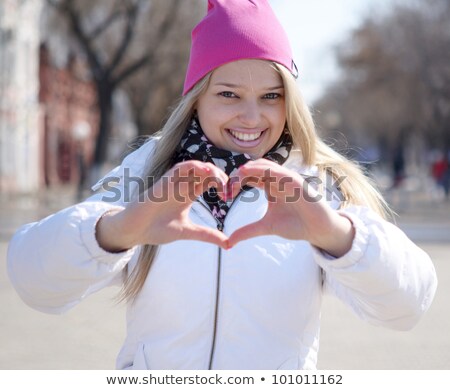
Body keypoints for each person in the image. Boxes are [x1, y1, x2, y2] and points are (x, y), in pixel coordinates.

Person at [7, 0, 437, 370]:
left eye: (271, 96)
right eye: (229, 95)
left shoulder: (314, 182)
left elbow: (407, 306)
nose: (252, 118)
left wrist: (337, 236)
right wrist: (116, 231)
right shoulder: (148, 172)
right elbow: (33, 282)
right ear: (197, 97)